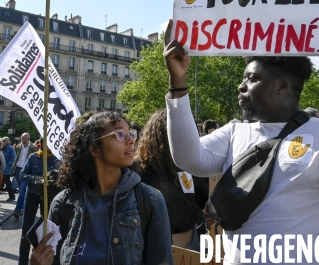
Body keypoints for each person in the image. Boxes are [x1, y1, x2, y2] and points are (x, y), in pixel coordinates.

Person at [162, 0, 319, 264]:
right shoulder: (234, 133)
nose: (240, 85)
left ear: (282, 87)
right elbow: (188, 159)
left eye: (251, 78)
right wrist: (177, 83)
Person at [48, 111, 173, 265]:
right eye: (119, 134)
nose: (131, 140)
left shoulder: (150, 200)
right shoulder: (64, 203)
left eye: (131, 133)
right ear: (95, 149)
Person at [136, 108, 207, 250]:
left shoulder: (190, 165)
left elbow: (203, 198)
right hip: (155, 247)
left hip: (192, 244)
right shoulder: (138, 169)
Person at [17, 147, 59, 265]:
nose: (47, 148)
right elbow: (22, 175)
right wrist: (35, 178)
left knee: (47, 231)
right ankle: (22, 262)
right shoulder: (33, 157)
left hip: (48, 197)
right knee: (26, 231)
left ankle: (45, 259)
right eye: (44, 145)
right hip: (32, 195)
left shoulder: (56, 159)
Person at [11, 133, 38, 219]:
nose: (24, 141)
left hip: (26, 171)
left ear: (29, 139)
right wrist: (13, 168)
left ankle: (17, 211)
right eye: (23, 139)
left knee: (22, 191)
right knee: (22, 192)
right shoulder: (19, 146)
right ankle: (23, 207)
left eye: (25, 139)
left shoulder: (34, 148)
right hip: (18, 170)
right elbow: (17, 158)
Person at [1, 136, 16, 201]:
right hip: (0, 168)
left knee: (7, 182)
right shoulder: (1, 147)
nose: (3, 142)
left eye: (4, 140)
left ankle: (12, 196)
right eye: (2, 140)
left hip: (6, 169)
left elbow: (13, 158)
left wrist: (7, 165)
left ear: (7, 141)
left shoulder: (10, 148)